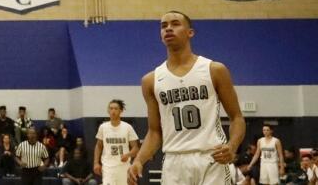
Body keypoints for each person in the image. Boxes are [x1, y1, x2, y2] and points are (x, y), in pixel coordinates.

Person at [129, 11, 245, 185]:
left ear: (190, 32)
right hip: (174, 162)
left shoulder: (214, 70)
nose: (168, 28)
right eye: (163, 26)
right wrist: (139, 160)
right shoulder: (150, 80)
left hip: (211, 157)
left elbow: (237, 117)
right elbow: (154, 131)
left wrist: (232, 146)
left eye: (175, 24)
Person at [94, 99, 139, 185]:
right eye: (111, 108)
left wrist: (128, 155)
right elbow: (98, 146)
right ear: (108, 110)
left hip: (124, 167)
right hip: (108, 167)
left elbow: (135, 148)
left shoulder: (127, 127)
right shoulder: (103, 127)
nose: (113, 111)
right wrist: (96, 163)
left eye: (115, 108)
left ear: (121, 111)